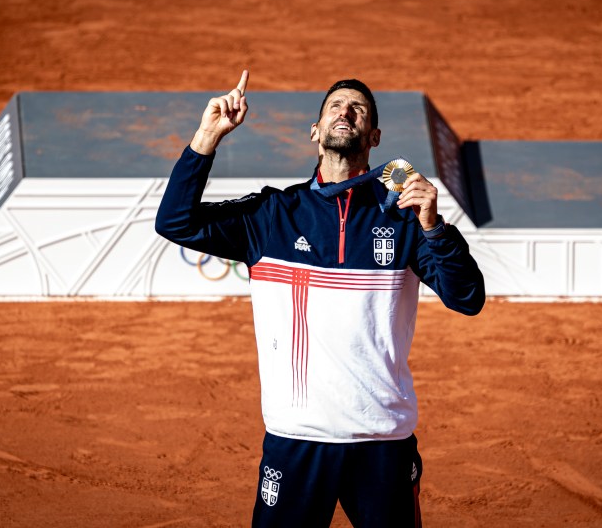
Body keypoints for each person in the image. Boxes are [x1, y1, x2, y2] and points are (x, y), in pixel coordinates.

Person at [155, 70, 485, 528]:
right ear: (315, 131)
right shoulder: (271, 215)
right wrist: (206, 138)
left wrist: (434, 227)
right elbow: (175, 222)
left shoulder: (406, 220)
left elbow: (467, 298)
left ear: (374, 136)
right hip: (296, 440)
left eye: (358, 109)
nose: (345, 112)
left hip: (382, 441)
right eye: (335, 106)